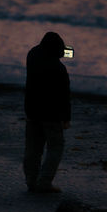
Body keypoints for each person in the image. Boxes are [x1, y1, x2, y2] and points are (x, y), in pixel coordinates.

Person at [23, 32, 71, 193]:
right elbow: (65, 96)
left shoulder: (32, 55)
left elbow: (43, 52)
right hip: (52, 114)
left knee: (33, 148)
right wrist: (66, 118)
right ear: (57, 50)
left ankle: (31, 180)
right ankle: (44, 181)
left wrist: (58, 51)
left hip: (32, 110)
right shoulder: (59, 68)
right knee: (55, 147)